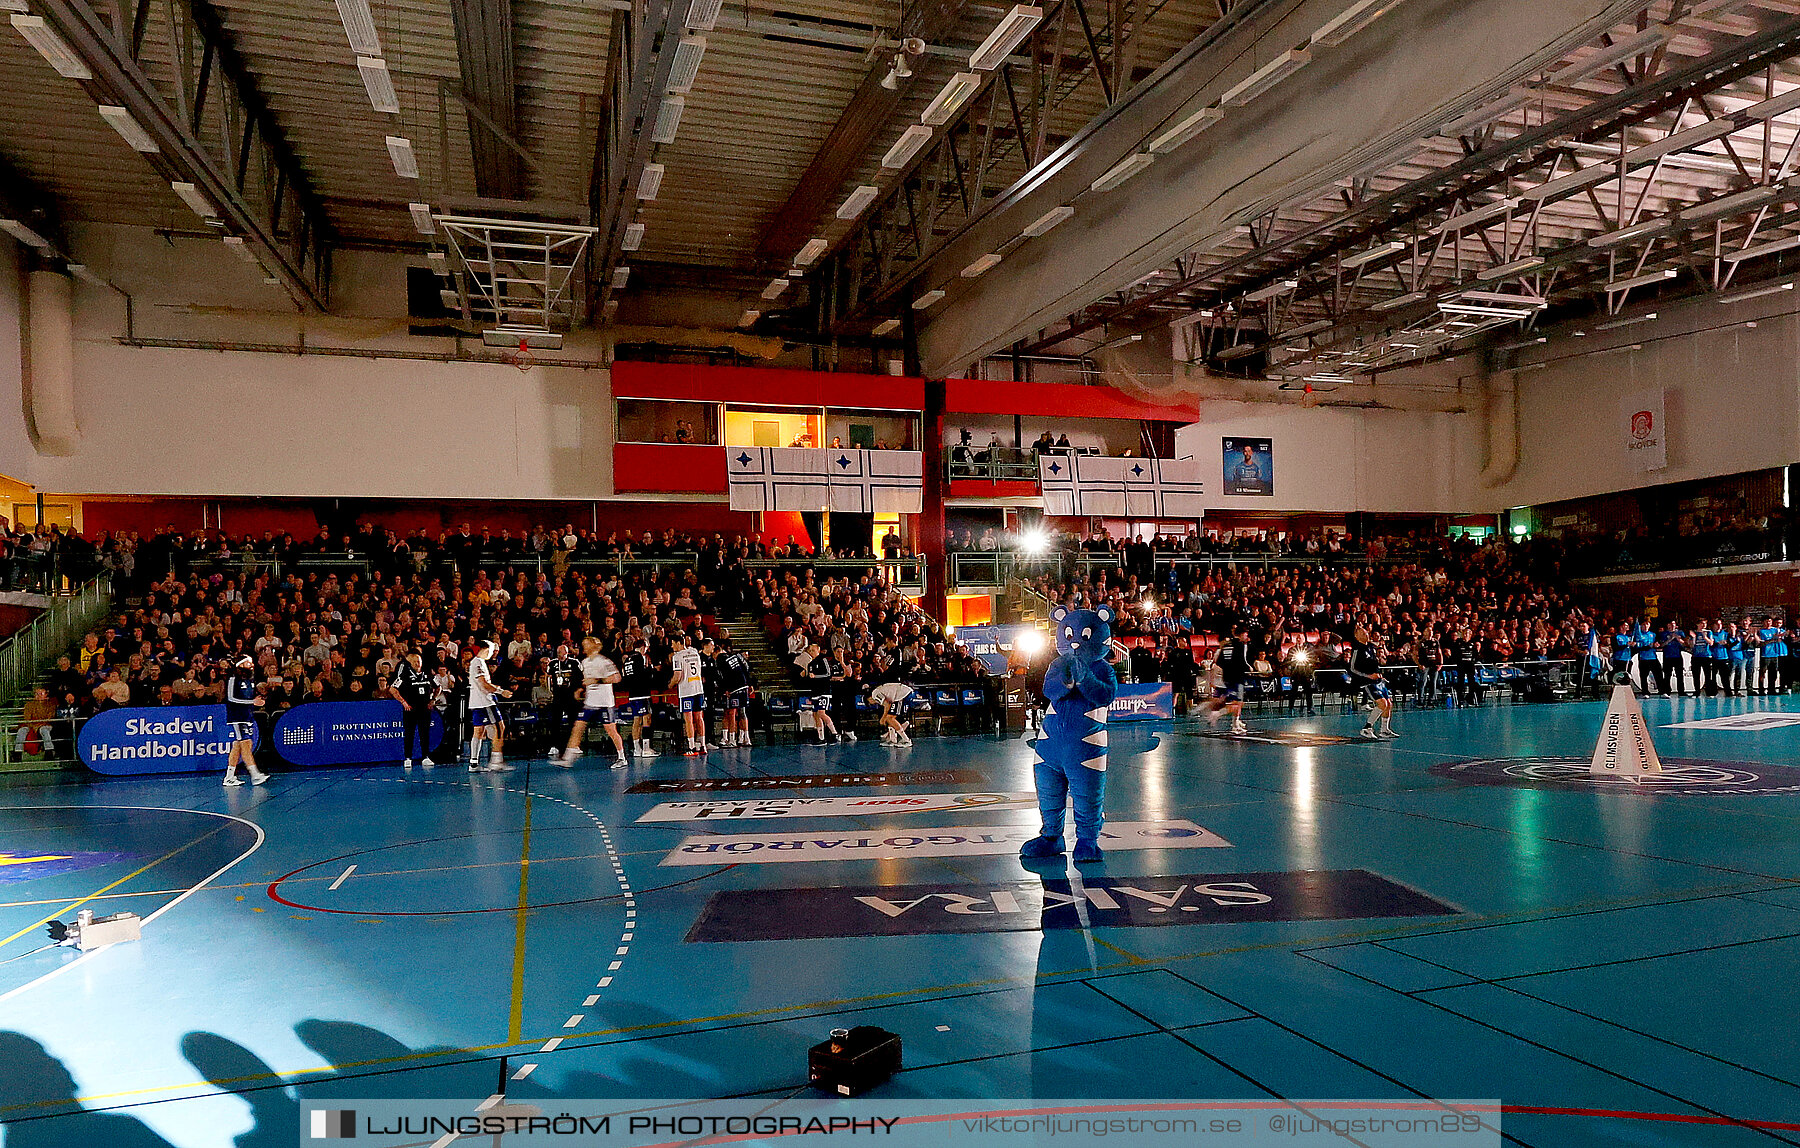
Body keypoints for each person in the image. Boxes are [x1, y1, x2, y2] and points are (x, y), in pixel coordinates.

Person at [563, 637, 625, 766]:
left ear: (594, 645)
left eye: (586, 644)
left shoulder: (603, 661)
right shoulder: (585, 662)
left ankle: (622, 758)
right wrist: (581, 689)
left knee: (611, 731)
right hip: (590, 702)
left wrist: (596, 680)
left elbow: (617, 677)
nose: (584, 647)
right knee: (578, 726)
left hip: (605, 702)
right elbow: (588, 681)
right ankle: (568, 758)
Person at [222, 655, 269, 786]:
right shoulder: (233, 678)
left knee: (238, 746)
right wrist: (252, 702)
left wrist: (257, 699)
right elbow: (231, 698)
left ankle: (229, 776)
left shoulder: (250, 679)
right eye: (249, 663)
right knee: (245, 743)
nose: (252, 665)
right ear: (241, 664)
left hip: (247, 715)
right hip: (237, 716)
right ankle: (255, 775)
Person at [466, 639, 513, 771]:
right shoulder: (478, 663)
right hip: (484, 702)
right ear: (487, 649)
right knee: (499, 728)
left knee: (479, 731)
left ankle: (473, 764)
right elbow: (483, 684)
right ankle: (496, 761)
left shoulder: (477, 663)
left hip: (477, 702)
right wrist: (500, 691)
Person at [390, 649, 436, 768]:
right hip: (410, 710)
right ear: (410, 662)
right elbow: (393, 689)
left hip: (425, 710)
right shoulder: (405, 675)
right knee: (409, 734)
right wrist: (403, 702)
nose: (417, 663)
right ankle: (408, 758)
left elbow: (438, 687)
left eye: (419, 661)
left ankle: (426, 757)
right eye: (415, 661)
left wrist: (433, 699)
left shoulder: (427, 674)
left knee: (424, 734)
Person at [669, 632, 711, 756]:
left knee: (688, 719)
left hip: (686, 690)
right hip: (698, 689)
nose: (672, 647)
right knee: (699, 717)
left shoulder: (677, 657)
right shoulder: (694, 652)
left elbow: (677, 676)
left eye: (673, 644)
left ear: (678, 643)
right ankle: (703, 745)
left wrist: (670, 685)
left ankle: (692, 747)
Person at [1347, 637, 1396, 740]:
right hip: (1368, 682)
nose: (1367, 634)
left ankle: (1384, 730)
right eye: (1364, 633)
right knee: (1382, 703)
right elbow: (1352, 668)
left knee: (1388, 704)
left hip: (1378, 681)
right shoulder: (1357, 649)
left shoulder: (1369, 647)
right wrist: (1368, 676)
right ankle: (1367, 728)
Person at [618, 636, 660, 757]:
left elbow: (626, 676)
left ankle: (637, 749)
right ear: (643, 647)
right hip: (642, 693)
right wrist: (652, 670)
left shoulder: (627, 659)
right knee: (646, 718)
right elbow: (643, 675)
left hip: (632, 694)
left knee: (636, 720)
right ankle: (646, 749)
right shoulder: (640, 658)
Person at [714, 632, 755, 748]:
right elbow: (745, 669)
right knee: (742, 713)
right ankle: (745, 738)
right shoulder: (736, 657)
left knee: (731, 712)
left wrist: (725, 690)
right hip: (743, 687)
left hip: (734, 689)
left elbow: (723, 676)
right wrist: (750, 684)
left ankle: (731, 739)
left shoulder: (720, 660)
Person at [803, 641, 847, 743]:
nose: (811, 652)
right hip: (815, 692)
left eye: (813, 650)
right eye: (810, 650)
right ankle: (821, 738)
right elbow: (810, 679)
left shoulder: (823, 660)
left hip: (824, 691)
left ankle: (835, 734)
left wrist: (815, 676)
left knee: (821, 713)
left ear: (818, 650)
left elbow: (828, 674)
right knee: (815, 715)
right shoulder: (810, 664)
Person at [544, 643, 582, 757]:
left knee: (573, 721)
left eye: (561, 652)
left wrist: (578, 691)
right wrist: (550, 690)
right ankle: (554, 746)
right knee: (555, 722)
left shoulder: (574, 663)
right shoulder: (553, 663)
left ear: (566, 652)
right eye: (558, 652)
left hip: (571, 696)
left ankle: (574, 746)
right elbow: (548, 677)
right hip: (558, 696)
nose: (559, 654)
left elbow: (580, 678)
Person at [870, 678, 917, 746]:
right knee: (890, 719)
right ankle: (892, 740)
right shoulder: (879, 690)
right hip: (903, 694)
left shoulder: (874, 694)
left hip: (903, 695)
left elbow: (887, 704)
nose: (871, 703)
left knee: (890, 718)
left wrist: (883, 718)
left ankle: (906, 740)